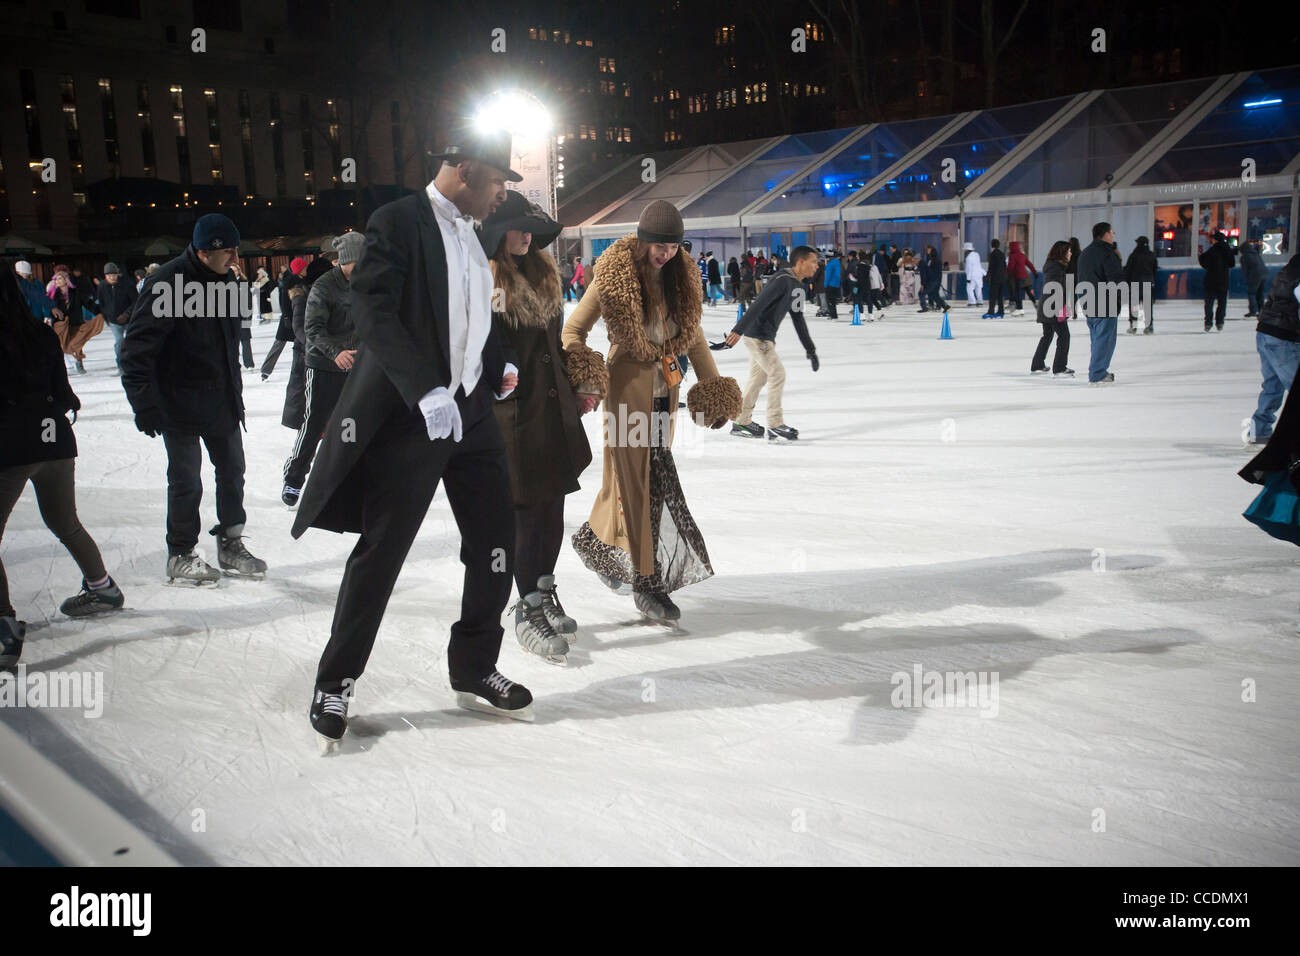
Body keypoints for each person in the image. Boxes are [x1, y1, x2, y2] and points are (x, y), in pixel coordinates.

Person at [291, 128, 532, 744]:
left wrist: (497, 360)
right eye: (500, 179)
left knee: (494, 543)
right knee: (383, 549)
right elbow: (374, 312)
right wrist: (425, 390)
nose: (504, 192)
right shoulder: (396, 221)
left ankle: (475, 664)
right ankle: (336, 678)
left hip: (472, 415)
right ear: (464, 169)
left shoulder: (476, 233)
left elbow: (475, 313)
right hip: (411, 416)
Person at [561, 200, 740, 625]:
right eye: (658, 246)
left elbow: (693, 339)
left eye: (673, 246)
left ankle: (595, 542)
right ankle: (647, 582)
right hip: (625, 392)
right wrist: (586, 374)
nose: (664, 254)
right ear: (642, 241)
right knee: (641, 485)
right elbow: (573, 330)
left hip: (665, 397)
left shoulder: (683, 278)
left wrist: (711, 388)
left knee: (639, 482)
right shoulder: (613, 275)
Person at [120, 213, 268, 584]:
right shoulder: (166, 283)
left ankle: (231, 543)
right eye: (228, 252)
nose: (236, 259)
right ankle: (180, 552)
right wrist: (144, 402)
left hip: (221, 401)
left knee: (233, 472)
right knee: (187, 480)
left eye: (237, 250)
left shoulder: (228, 281)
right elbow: (136, 349)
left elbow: (228, 344)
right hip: (178, 402)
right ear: (205, 251)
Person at [479, 191, 594, 664]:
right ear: (496, 231)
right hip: (513, 418)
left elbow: (556, 344)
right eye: (518, 228)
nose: (527, 236)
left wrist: (580, 379)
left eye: (532, 229)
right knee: (526, 513)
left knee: (551, 510)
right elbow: (481, 349)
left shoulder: (544, 276)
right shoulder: (488, 283)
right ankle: (525, 605)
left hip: (553, 410)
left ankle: (544, 589)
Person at [1, 261, 125, 667]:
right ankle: (101, 586)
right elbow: (64, 393)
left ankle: (4, 630)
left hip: (12, 448)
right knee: (64, 521)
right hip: (54, 440)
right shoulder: (38, 331)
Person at [281, 236, 362, 507]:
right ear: (346, 260)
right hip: (323, 364)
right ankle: (294, 478)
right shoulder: (324, 286)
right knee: (315, 422)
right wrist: (335, 353)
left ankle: (347, 479)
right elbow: (312, 330)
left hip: (355, 364)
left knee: (353, 424)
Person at [724, 245, 819, 440]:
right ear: (801, 262)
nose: (817, 266)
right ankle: (775, 423)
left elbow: (798, 319)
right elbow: (758, 303)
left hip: (765, 337)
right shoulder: (782, 280)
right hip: (758, 336)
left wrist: (811, 350)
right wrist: (738, 330)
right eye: (814, 262)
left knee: (758, 379)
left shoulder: (797, 286)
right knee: (777, 374)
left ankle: (741, 422)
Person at [1247, 251, 1300, 444]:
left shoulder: (1287, 272)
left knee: (1272, 386)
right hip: (1283, 338)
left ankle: (1259, 431)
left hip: (1266, 331)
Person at [1076, 221, 1124, 385]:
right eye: (1112, 233)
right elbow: (1115, 278)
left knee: (1097, 339)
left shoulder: (1085, 253)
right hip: (1105, 301)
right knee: (1105, 339)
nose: (1113, 236)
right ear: (1106, 234)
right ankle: (1097, 373)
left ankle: (1098, 369)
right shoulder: (1107, 253)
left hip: (1088, 300)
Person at [1030, 241, 1074, 377]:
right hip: (1053, 308)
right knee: (1064, 336)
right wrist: (1061, 310)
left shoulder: (1053, 266)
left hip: (1048, 307)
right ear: (1062, 252)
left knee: (1047, 335)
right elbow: (1055, 291)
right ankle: (1060, 367)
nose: (1071, 253)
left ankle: (1037, 365)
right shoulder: (1057, 269)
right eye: (1069, 251)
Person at [89, 262, 137, 375]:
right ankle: (121, 365)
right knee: (119, 342)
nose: (112, 277)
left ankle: (134, 364)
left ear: (118, 274)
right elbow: (101, 303)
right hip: (114, 320)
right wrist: (107, 317)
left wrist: (127, 314)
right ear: (105, 276)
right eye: (109, 275)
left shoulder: (127, 284)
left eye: (114, 274)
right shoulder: (102, 286)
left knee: (132, 341)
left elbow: (136, 301)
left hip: (129, 319)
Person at [1199, 231, 1237, 332]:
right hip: (1223, 280)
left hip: (1210, 280)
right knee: (1222, 302)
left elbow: (1204, 263)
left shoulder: (1212, 251)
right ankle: (1220, 322)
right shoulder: (1228, 250)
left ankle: (1208, 323)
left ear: (1215, 240)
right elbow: (1232, 264)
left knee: (1209, 303)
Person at [1124, 236, 1158, 334]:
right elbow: (1155, 270)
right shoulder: (1152, 255)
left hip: (1135, 284)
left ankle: (1133, 326)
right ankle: (1149, 326)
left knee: (1134, 306)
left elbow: (1128, 269)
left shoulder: (1134, 255)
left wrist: (1127, 282)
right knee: (1148, 306)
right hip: (1148, 283)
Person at [1006, 241, 1036, 316]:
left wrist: (1006, 272)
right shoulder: (1022, 255)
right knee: (1029, 292)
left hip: (1018, 277)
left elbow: (1011, 266)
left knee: (1018, 293)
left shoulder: (1012, 255)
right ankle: (1036, 304)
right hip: (1025, 277)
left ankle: (1020, 309)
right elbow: (1029, 264)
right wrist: (1034, 272)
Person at [1241, 239, 1269, 319]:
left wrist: (1247, 278)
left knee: (1252, 293)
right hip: (1264, 274)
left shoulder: (1245, 256)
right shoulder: (1256, 254)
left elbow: (1245, 270)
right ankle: (1261, 311)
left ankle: (1253, 311)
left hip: (1255, 275)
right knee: (1260, 293)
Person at [919, 245, 947, 312]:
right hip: (931, 280)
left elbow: (937, 272)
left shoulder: (937, 261)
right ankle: (932, 304)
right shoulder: (929, 260)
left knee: (934, 293)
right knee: (932, 293)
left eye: (929, 250)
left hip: (935, 280)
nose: (927, 251)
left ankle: (939, 305)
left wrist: (937, 281)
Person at [984, 239, 1006, 318]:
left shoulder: (992, 254)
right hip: (1002, 278)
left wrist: (987, 277)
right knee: (1000, 295)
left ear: (991, 245)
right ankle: (1001, 310)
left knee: (993, 295)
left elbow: (991, 267)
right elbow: (1004, 266)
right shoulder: (1002, 254)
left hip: (995, 278)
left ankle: (991, 311)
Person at [963, 241, 984, 308]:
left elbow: (969, 269)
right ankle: (980, 301)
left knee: (969, 289)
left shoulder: (968, 258)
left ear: (967, 250)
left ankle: (972, 302)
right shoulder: (977, 254)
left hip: (972, 276)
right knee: (978, 288)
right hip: (979, 275)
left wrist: (968, 279)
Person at [823, 249, 841, 321]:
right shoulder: (837, 262)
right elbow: (837, 274)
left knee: (829, 300)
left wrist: (825, 284)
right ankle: (834, 315)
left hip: (830, 284)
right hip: (836, 284)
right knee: (833, 301)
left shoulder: (830, 264)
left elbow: (828, 276)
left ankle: (832, 315)